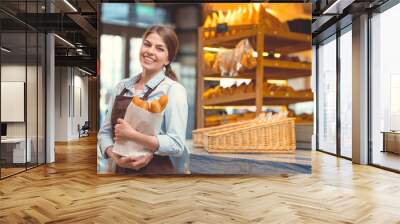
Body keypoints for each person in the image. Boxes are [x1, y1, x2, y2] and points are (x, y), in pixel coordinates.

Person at [98, 25, 189, 174]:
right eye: (147, 44)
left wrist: (133, 135)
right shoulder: (121, 86)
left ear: (168, 59)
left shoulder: (173, 90)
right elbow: (105, 133)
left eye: (160, 48)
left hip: (157, 178)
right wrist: (116, 158)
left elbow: (176, 143)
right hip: (120, 174)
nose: (150, 51)